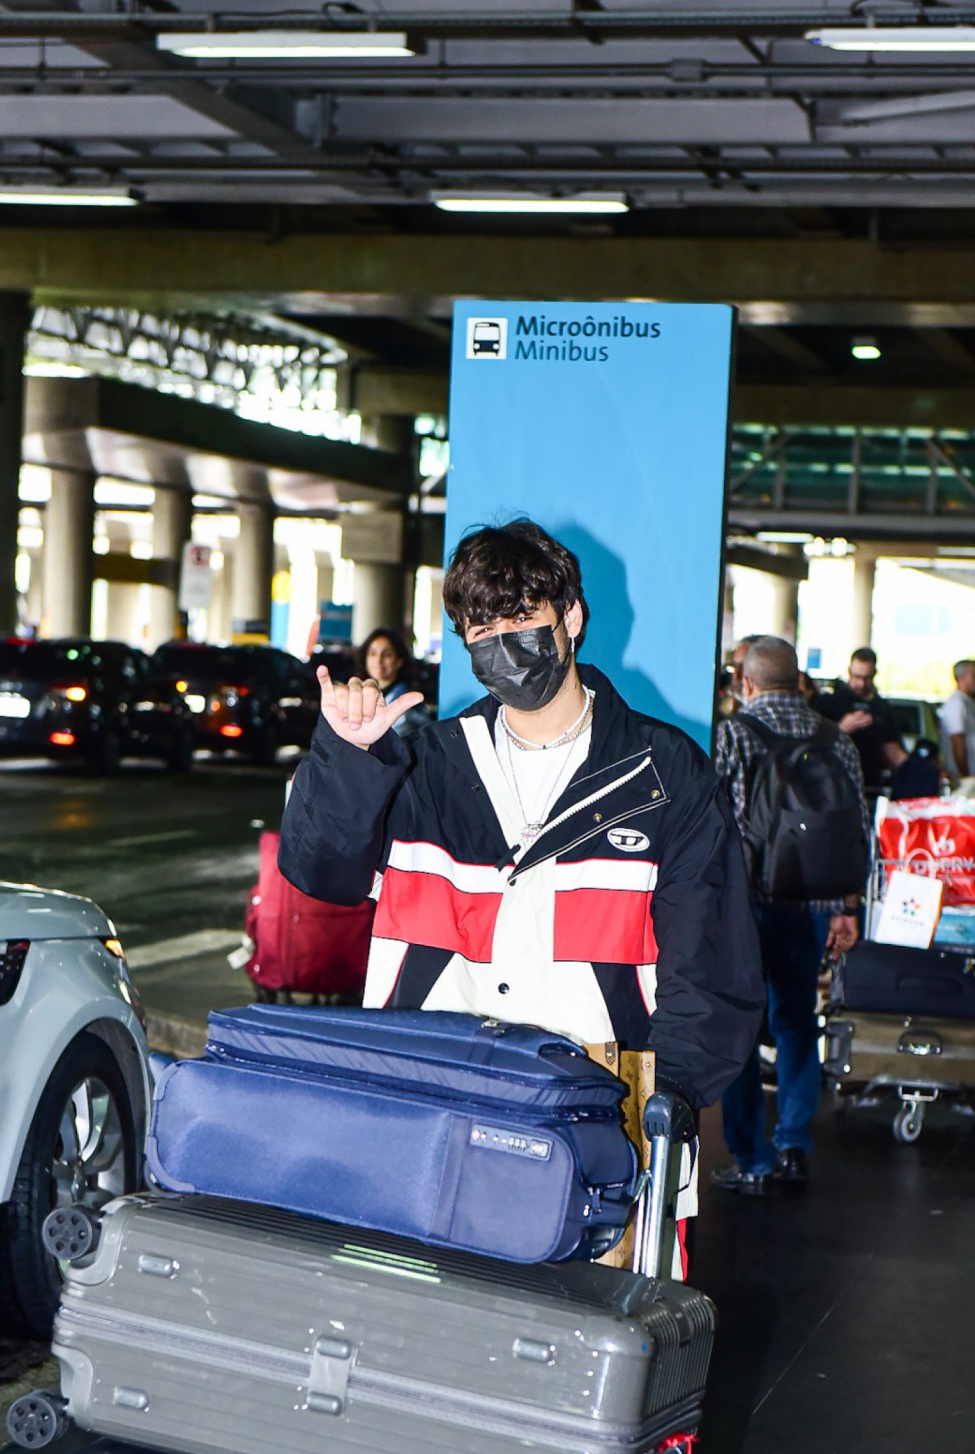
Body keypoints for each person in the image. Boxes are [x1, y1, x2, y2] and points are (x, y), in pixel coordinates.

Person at [279, 519, 765, 1249]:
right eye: (480, 626)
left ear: (570, 618)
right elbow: (322, 874)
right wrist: (347, 759)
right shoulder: (425, 766)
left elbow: (709, 963)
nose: (501, 642)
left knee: (588, 1348)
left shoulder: (663, 775)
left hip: (601, 1127)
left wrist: (666, 1103)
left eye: (521, 619)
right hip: (427, 1109)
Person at [712, 635, 869, 1196]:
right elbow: (858, 829)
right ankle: (795, 1144)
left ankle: (752, 1159)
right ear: (799, 682)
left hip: (748, 905)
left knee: (740, 1028)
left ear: (746, 683)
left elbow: (719, 824)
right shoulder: (835, 739)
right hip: (813, 906)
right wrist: (848, 906)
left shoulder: (736, 734)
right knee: (798, 1021)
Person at [814, 646, 907, 793]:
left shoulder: (883, 709)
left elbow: (894, 753)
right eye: (857, 677)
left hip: (869, 783)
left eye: (866, 678)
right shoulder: (830, 703)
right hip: (833, 783)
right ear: (849, 671)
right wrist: (841, 729)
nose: (861, 684)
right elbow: (812, 745)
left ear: (874, 674)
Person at [354, 628, 430, 739]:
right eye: (373, 653)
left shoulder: (408, 702)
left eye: (387, 654)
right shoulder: (364, 694)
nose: (379, 660)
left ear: (399, 661)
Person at [938, 659, 975, 781]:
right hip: (966, 779)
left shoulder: (968, 703)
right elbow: (957, 742)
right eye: (974, 675)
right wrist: (965, 777)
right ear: (962, 678)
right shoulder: (956, 704)